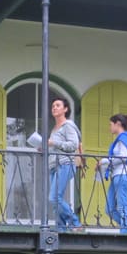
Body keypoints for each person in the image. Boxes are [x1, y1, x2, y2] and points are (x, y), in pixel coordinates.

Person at [47, 98, 83, 232]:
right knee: (56, 200)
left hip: (65, 164)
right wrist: (44, 147)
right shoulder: (54, 129)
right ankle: (61, 229)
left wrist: (53, 143)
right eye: (53, 106)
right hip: (53, 166)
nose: (54, 108)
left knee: (54, 197)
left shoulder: (68, 125)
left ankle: (75, 222)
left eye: (57, 105)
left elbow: (73, 145)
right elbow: (55, 147)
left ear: (65, 109)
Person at [104, 113, 127, 234]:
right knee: (109, 209)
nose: (110, 127)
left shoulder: (123, 137)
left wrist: (106, 161)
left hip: (122, 174)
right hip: (118, 175)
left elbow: (123, 156)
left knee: (122, 205)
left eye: (111, 124)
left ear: (118, 123)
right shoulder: (124, 138)